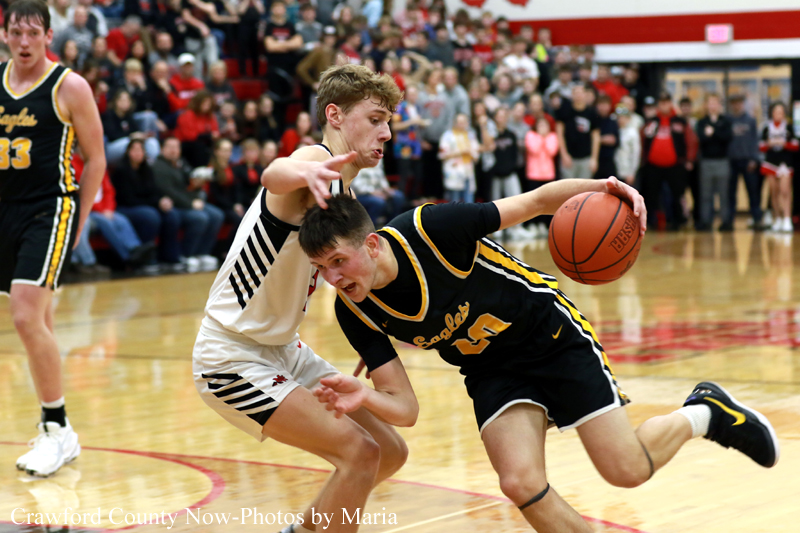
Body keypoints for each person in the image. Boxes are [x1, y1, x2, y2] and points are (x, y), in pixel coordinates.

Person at [298, 187, 780, 533]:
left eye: (339, 261)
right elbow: (406, 410)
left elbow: (535, 202)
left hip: (549, 337)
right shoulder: (353, 310)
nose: (333, 278)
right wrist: (365, 396)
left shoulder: (432, 229)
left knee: (626, 470)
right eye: (322, 268)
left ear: (372, 244)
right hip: (490, 370)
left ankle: (704, 412)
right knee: (519, 481)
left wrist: (606, 188)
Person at [192, 64, 407, 533]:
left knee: (390, 452)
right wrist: (303, 169)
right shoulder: (315, 160)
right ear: (335, 115)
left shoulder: (344, 191)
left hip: (283, 348)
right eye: (375, 119)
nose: (386, 133)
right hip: (230, 355)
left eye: (389, 122)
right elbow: (274, 174)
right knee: (359, 453)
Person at [1, 0, 105, 477]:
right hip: (6, 209)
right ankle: (58, 431)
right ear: (5, 35)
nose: (24, 42)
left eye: (32, 33)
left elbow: (96, 157)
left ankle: (56, 427)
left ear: (48, 35)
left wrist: (81, 217)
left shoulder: (69, 86)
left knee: (25, 314)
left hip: (51, 207)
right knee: (36, 319)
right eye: (15, 33)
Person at [641, 92, 688, 231]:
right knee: (651, 194)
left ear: (671, 103)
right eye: (661, 102)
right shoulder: (652, 121)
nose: (664, 105)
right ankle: (650, 222)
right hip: (653, 166)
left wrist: (688, 159)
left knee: (676, 194)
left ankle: (676, 221)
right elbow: (643, 139)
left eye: (666, 102)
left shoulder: (679, 121)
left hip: (675, 166)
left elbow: (689, 140)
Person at [696, 93, 733, 231]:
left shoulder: (725, 121)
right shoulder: (702, 122)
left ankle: (726, 221)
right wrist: (710, 135)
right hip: (706, 162)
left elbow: (727, 137)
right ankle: (706, 221)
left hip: (722, 161)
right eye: (710, 102)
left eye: (715, 102)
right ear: (706, 105)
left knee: (724, 194)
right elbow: (701, 138)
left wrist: (713, 132)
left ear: (719, 105)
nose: (712, 106)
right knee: (706, 194)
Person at [760, 101, 799, 233]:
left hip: (785, 163)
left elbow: (796, 145)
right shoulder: (766, 128)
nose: (778, 114)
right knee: (774, 192)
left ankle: (787, 218)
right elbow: (761, 146)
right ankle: (777, 218)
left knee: (785, 191)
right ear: (772, 113)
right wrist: (769, 144)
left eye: (781, 112)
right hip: (770, 162)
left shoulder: (789, 128)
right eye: (776, 112)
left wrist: (784, 144)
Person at [727, 94, 763, 230]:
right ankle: (729, 220)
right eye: (734, 103)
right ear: (731, 105)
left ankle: (757, 218)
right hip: (732, 161)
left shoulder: (750, 120)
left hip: (748, 161)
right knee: (731, 193)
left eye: (739, 103)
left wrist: (754, 159)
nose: (737, 105)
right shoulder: (728, 120)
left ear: (743, 104)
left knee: (753, 191)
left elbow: (755, 141)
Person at [555, 84, 600, 180]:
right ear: (572, 95)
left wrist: (594, 158)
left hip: (586, 158)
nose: (578, 95)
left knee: (585, 187)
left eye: (581, 93)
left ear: (585, 94)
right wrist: (564, 154)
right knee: (567, 186)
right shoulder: (564, 111)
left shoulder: (592, 113)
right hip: (569, 157)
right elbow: (559, 133)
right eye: (576, 93)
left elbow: (596, 137)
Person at [439, 113, 479, 203]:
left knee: (469, 201)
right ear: (455, 123)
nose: (462, 124)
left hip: (468, 171)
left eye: (464, 122)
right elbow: (442, 154)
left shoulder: (470, 135)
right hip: (454, 171)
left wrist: (472, 153)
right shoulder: (447, 136)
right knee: (455, 201)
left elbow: (476, 153)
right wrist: (461, 152)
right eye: (460, 122)